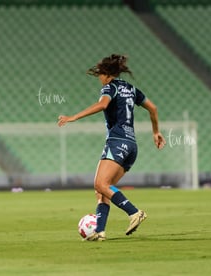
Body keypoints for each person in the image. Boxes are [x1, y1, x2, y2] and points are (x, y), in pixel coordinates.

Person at [58, 54, 166, 241]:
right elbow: (153, 108)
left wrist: (73, 117)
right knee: (103, 190)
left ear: (107, 74)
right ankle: (99, 230)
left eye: (100, 74)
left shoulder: (110, 87)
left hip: (117, 141)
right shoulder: (131, 89)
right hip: (131, 146)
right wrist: (156, 132)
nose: (99, 78)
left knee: (100, 184)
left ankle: (134, 213)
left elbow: (103, 104)